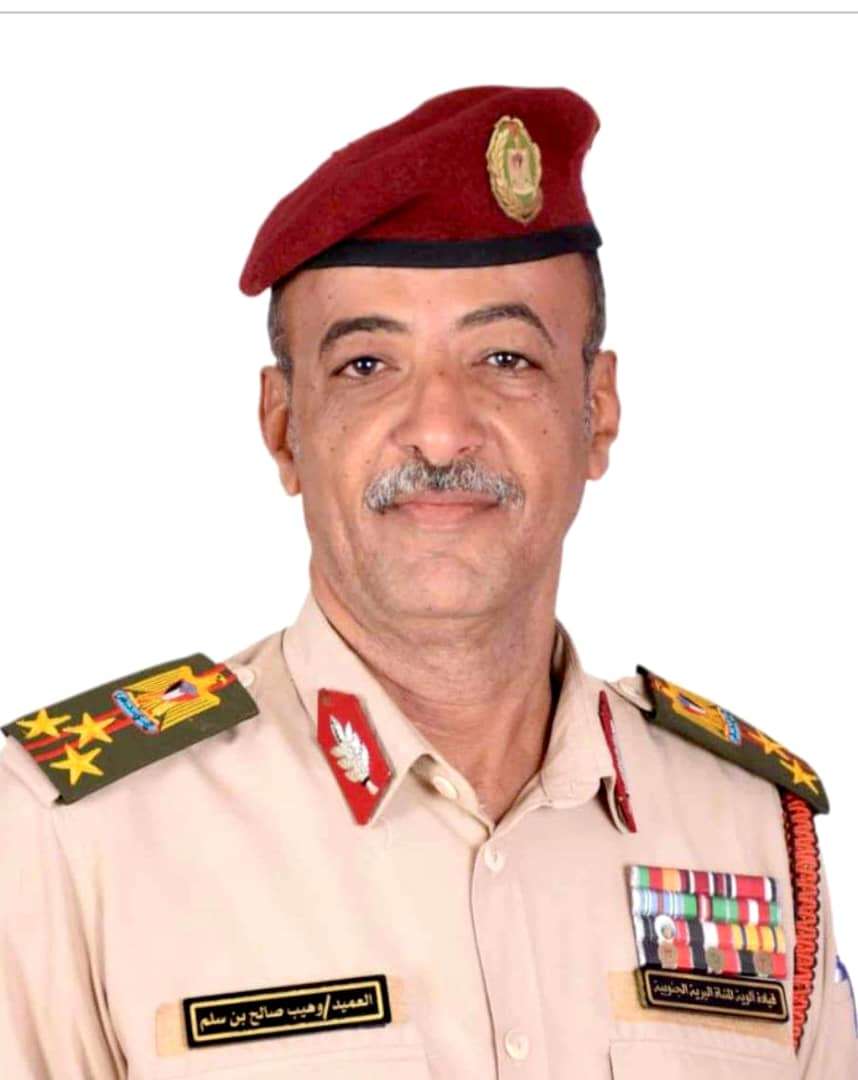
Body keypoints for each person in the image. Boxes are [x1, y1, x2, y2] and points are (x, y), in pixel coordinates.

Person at [1, 85, 855, 1080]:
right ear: (283, 428)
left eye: (505, 357)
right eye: (367, 365)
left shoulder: (748, 829)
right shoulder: (71, 836)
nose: (442, 433)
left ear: (599, 410)